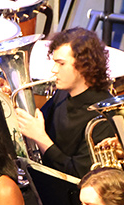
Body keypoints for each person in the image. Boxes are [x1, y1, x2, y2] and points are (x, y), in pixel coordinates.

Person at [15, 27, 114, 179]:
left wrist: (40, 138)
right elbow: (37, 122)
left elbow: (79, 175)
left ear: (84, 65)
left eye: (61, 64)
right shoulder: (63, 93)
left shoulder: (103, 114)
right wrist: (11, 96)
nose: (54, 70)